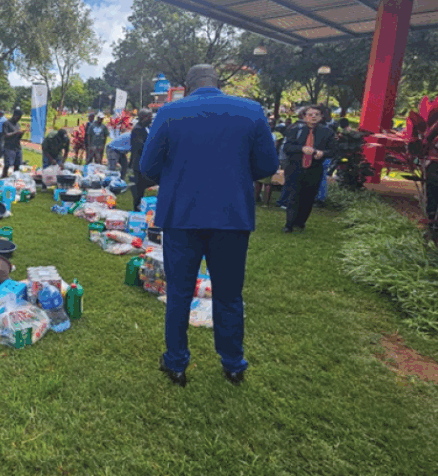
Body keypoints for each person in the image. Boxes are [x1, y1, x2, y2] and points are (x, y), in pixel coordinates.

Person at [139, 64, 278, 387]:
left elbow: (148, 165)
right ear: (218, 82)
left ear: (187, 87)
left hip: (182, 216)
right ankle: (233, 363)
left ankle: (176, 362)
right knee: (229, 294)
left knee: (179, 294)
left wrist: (176, 176)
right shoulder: (251, 110)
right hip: (232, 216)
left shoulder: (170, 112)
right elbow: (267, 165)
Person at [282, 105, 334, 233]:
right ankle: (289, 224)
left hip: (314, 168)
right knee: (294, 195)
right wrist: (301, 149)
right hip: (295, 167)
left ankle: (300, 222)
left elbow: (334, 150)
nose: (313, 117)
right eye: (310, 114)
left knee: (308, 197)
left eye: (316, 114)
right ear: (304, 117)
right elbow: (287, 148)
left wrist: (323, 153)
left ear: (321, 117)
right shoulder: (295, 129)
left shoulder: (327, 132)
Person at [129, 108, 154, 212]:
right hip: (139, 164)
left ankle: (140, 205)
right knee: (139, 190)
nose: (151, 119)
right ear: (143, 117)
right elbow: (141, 147)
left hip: (145, 163)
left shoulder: (146, 128)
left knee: (143, 187)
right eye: (149, 117)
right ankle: (137, 209)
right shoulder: (137, 129)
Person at [1, 108, 24, 178]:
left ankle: (15, 178)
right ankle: (4, 177)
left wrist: (21, 134)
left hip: (17, 146)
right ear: (14, 115)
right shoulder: (6, 123)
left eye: (20, 118)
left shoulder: (17, 125)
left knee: (17, 164)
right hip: (9, 147)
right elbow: (5, 135)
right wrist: (16, 132)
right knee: (8, 164)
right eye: (18, 117)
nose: (19, 119)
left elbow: (18, 137)